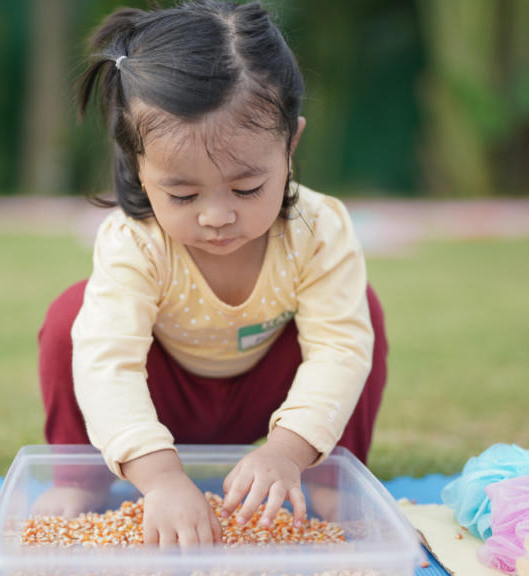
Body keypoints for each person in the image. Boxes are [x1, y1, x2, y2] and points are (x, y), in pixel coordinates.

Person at [36, 0, 388, 548]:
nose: (217, 216)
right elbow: (109, 363)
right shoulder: (136, 242)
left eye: (248, 189)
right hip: (165, 393)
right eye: (182, 193)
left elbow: (339, 349)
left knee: (362, 310)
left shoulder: (320, 229)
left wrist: (287, 451)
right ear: (138, 164)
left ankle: (326, 477)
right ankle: (79, 478)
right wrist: (159, 479)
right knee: (70, 318)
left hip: (268, 395)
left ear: (290, 145)